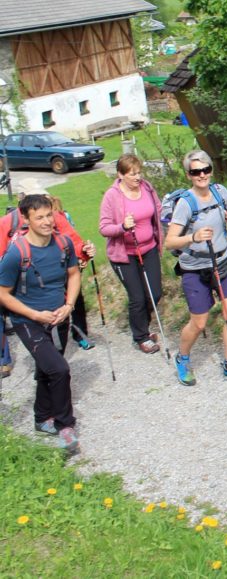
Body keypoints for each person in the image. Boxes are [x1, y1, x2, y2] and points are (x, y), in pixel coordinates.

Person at [163, 150, 227, 386]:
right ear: (189, 175)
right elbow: (170, 242)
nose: (202, 175)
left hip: (223, 261)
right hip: (195, 269)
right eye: (196, 171)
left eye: (205, 170)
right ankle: (182, 358)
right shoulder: (185, 203)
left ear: (211, 170)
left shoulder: (220, 191)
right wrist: (193, 237)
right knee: (199, 323)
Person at [0, 194, 82, 454]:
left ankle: (40, 417)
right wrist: (35, 316)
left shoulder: (63, 243)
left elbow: (74, 274)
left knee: (48, 369)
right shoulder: (16, 253)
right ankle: (65, 426)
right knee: (59, 369)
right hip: (28, 321)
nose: (47, 222)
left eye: (50, 215)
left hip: (59, 318)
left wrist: (69, 305)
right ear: (26, 220)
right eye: (40, 217)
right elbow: (3, 293)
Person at [0, 192, 96, 351]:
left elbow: (71, 238)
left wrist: (84, 251)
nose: (46, 220)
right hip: (22, 274)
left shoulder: (53, 217)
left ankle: (78, 334)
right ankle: (5, 357)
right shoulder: (9, 221)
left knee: (74, 295)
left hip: (55, 267)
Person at [99, 154, 164, 354]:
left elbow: (159, 210)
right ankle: (141, 336)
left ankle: (143, 325)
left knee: (154, 294)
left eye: (139, 172)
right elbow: (104, 228)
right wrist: (122, 227)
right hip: (124, 254)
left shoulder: (147, 188)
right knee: (137, 297)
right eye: (132, 174)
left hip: (149, 248)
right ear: (121, 175)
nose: (138, 177)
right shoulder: (112, 195)